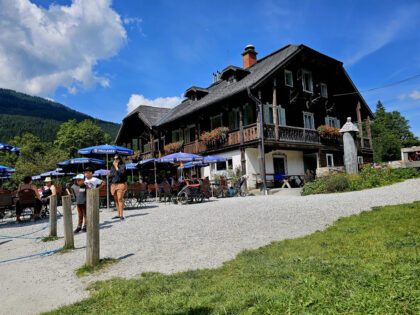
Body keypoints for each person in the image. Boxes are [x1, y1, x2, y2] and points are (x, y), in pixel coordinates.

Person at [109, 155, 128, 220]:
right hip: (114, 184)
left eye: (116, 159)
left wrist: (116, 166)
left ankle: (121, 215)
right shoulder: (112, 167)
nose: (115, 160)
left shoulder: (123, 166)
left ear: (119, 159)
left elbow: (121, 173)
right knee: (116, 200)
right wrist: (109, 176)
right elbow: (111, 175)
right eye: (114, 159)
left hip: (121, 184)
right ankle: (118, 214)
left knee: (120, 199)